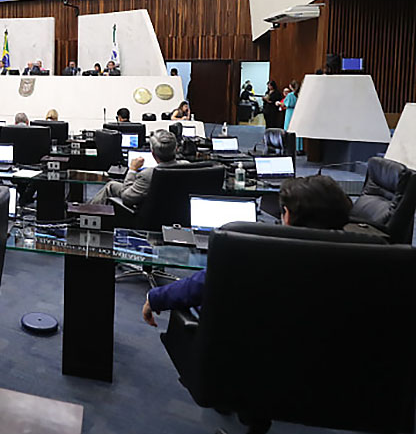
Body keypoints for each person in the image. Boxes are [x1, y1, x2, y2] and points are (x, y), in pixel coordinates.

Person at [141, 175, 351, 327]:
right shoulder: (373, 257)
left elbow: (201, 285)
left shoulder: (255, 253)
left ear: (286, 214)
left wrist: (155, 298)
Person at [90, 130, 183, 207]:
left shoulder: (147, 175)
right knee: (113, 185)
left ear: (153, 153)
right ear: (176, 149)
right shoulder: (188, 167)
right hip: (178, 214)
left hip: (146, 217)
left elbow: (127, 197)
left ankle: (88, 213)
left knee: (110, 186)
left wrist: (132, 170)